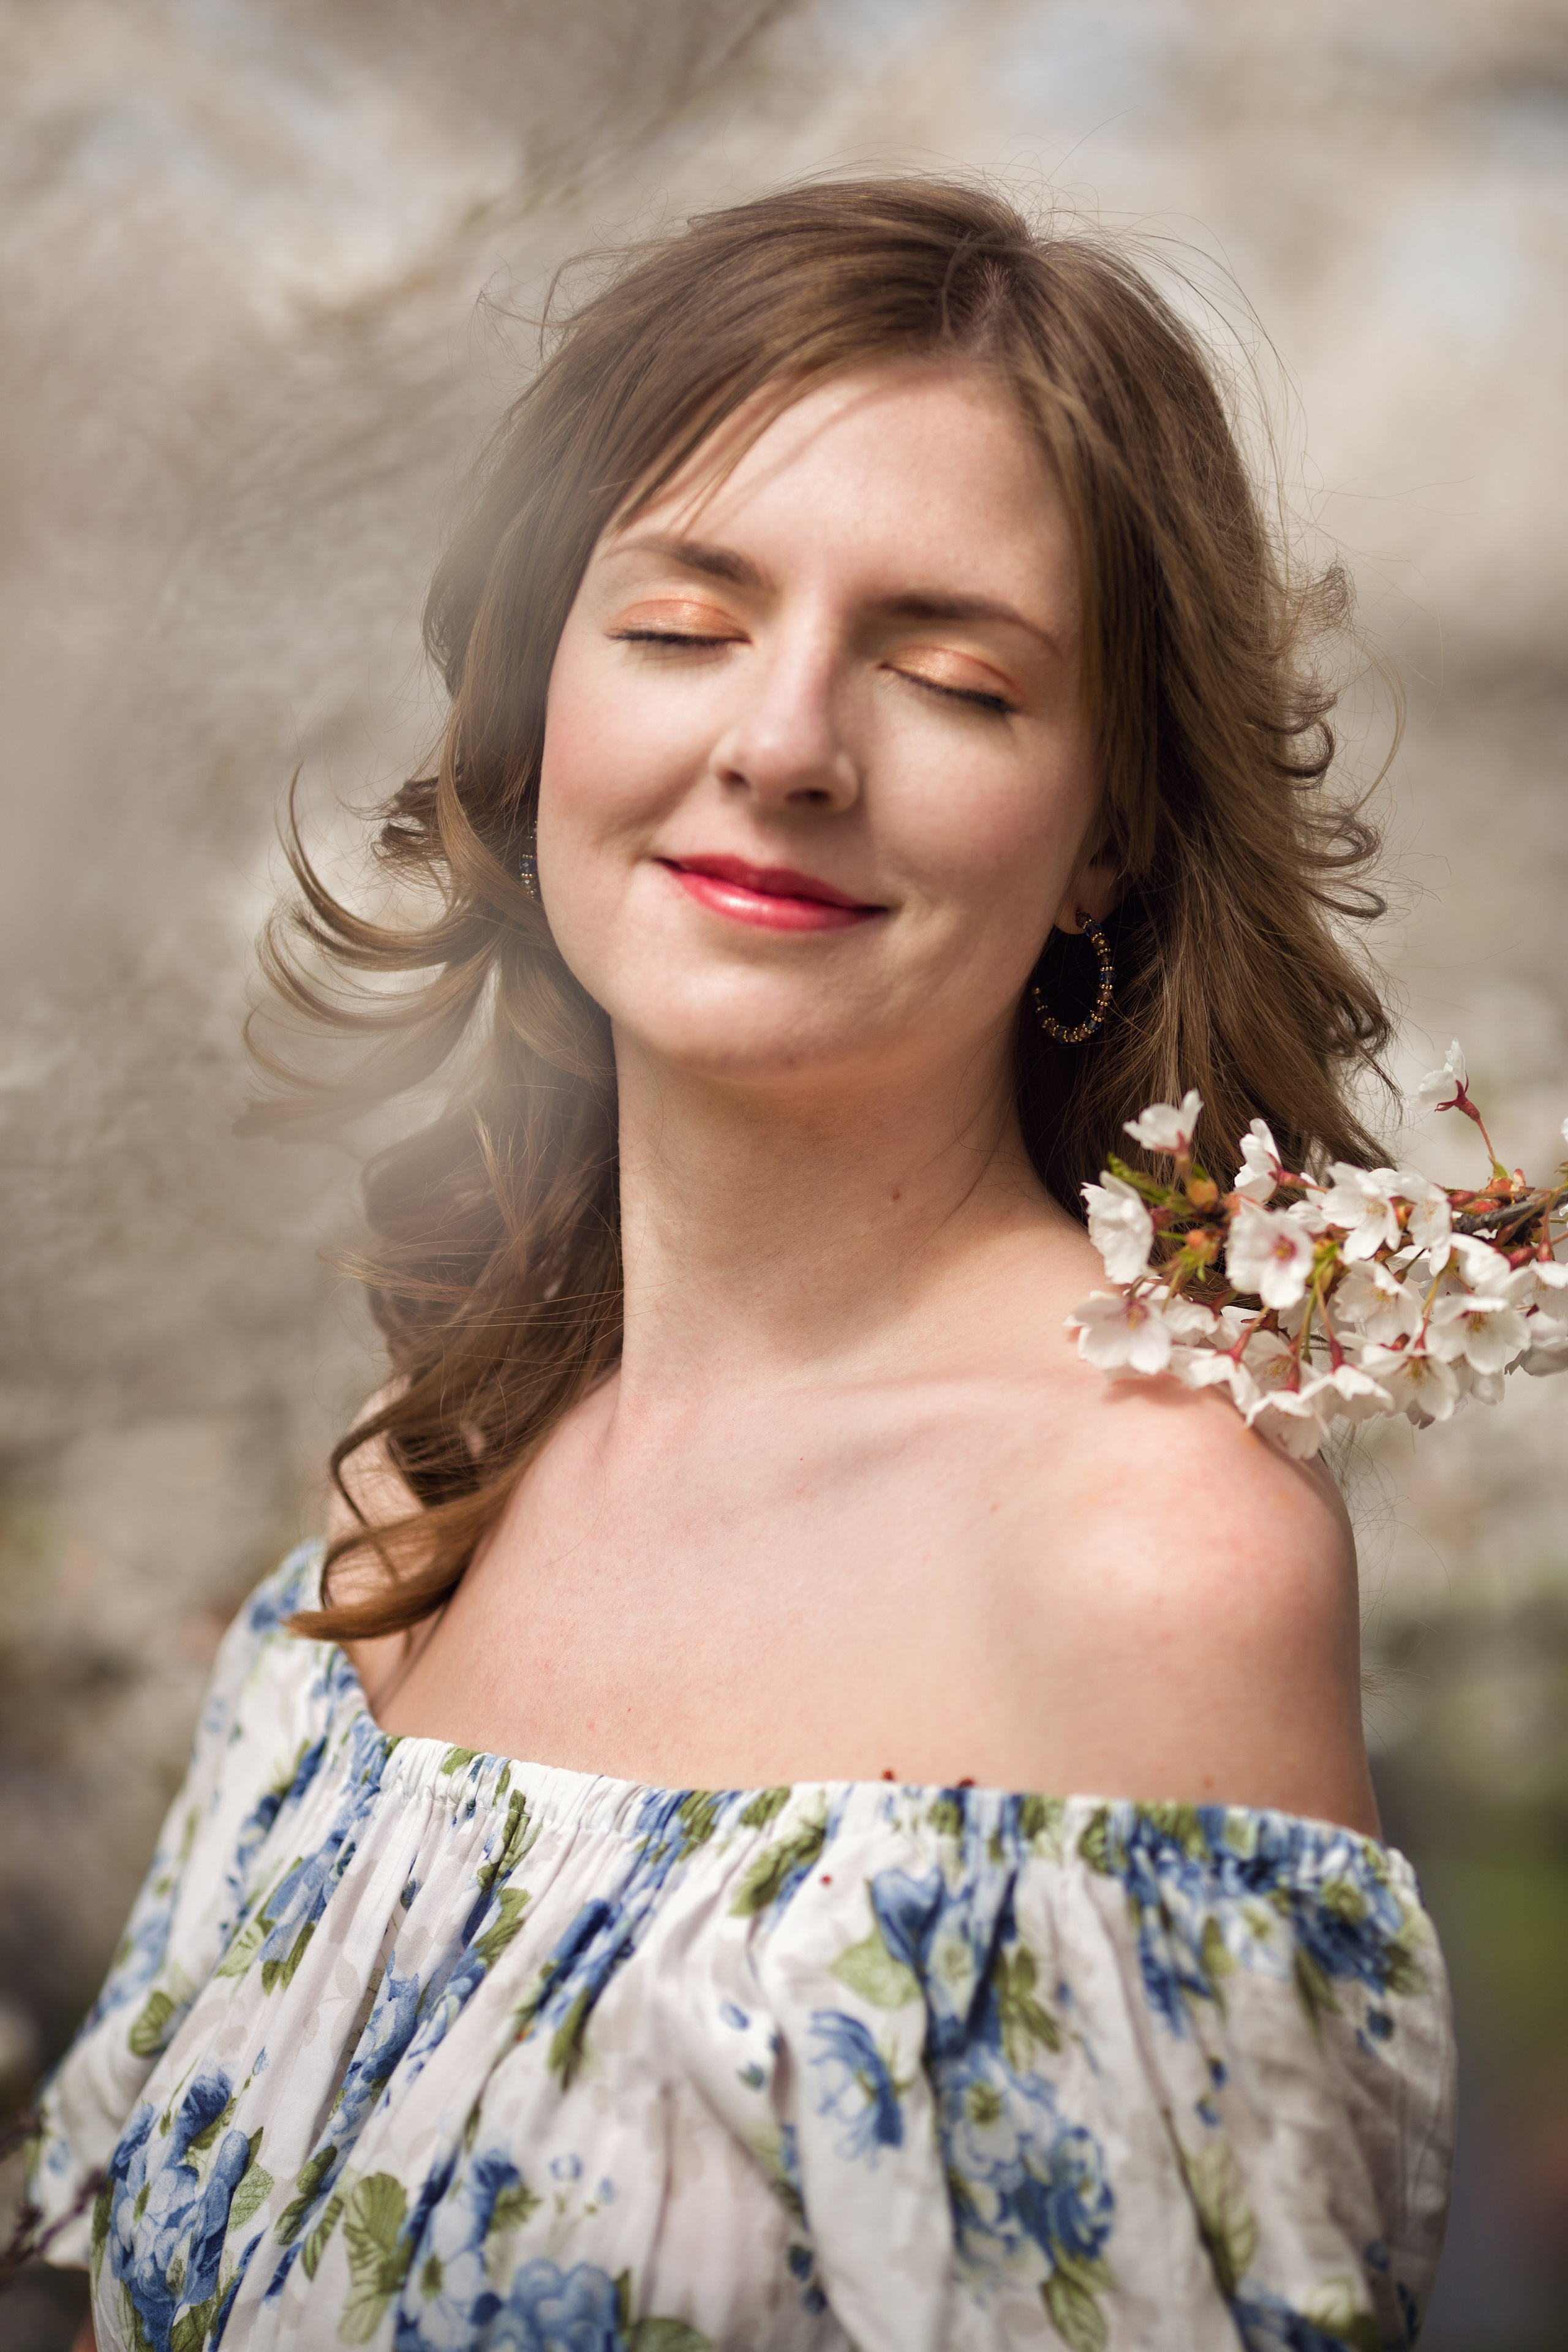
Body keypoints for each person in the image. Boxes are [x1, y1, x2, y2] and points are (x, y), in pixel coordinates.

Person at [29, 179, 1453, 2351]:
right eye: (684, 627)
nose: (783, 746)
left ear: (1109, 831)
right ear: (532, 722)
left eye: (956, 675)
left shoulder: (1149, 1556)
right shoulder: (412, 1502)